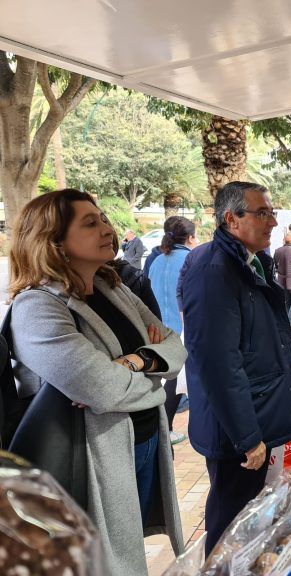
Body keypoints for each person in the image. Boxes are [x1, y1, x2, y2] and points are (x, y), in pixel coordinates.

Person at [8, 189, 186, 576]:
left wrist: (135, 359)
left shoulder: (112, 287)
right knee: (103, 562)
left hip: (140, 442)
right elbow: (102, 388)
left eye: (103, 218)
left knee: (126, 546)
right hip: (88, 458)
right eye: (90, 223)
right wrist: (151, 378)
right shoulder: (37, 308)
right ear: (52, 241)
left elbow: (176, 348)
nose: (106, 228)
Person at [179, 181, 291, 556]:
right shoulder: (213, 270)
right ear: (231, 219)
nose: (272, 220)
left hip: (259, 410)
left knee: (254, 516)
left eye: (272, 212)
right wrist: (247, 436)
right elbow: (217, 364)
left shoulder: (253, 260)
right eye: (262, 212)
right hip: (238, 427)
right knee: (231, 519)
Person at [148, 216, 198, 445]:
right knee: (177, 382)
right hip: (183, 330)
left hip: (158, 330)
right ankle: (165, 430)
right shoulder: (191, 259)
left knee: (166, 381)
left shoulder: (157, 261)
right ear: (190, 237)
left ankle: (163, 428)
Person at [273, 230, 291, 329]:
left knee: (287, 301)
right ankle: (289, 321)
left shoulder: (277, 250)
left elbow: (275, 265)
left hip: (281, 280)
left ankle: (290, 322)